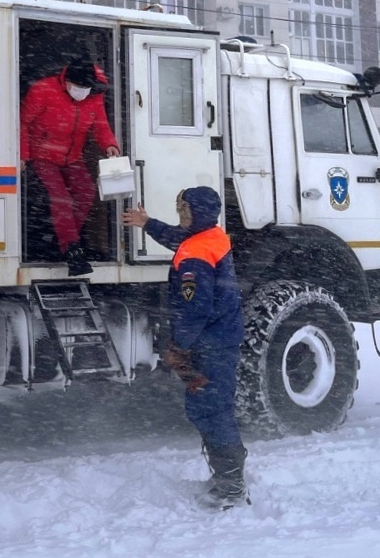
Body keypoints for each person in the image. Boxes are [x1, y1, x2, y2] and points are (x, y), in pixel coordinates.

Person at [122, 186, 250, 510]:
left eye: (185, 212)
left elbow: (195, 310)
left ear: (199, 215)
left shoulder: (195, 256)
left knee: (212, 410)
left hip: (211, 344)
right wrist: (147, 223)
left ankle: (231, 486)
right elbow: (178, 237)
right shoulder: (210, 236)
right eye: (179, 211)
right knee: (209, 407)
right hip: (219, 338)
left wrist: (178, 347)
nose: (180, 217)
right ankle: (227, 476)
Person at [20, 57, 120, 276]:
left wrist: (110, 144)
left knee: (86, 192)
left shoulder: (94, 94)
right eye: (79, 87)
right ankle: (72, 249)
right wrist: (23, 155)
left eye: (87, 87)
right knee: (61, 197)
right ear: (66, 81)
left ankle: (62, 240)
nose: (83, 91)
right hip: (42, 154)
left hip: (72, 156)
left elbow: (100, 124)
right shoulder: (42, 90)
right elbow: (23, 122)